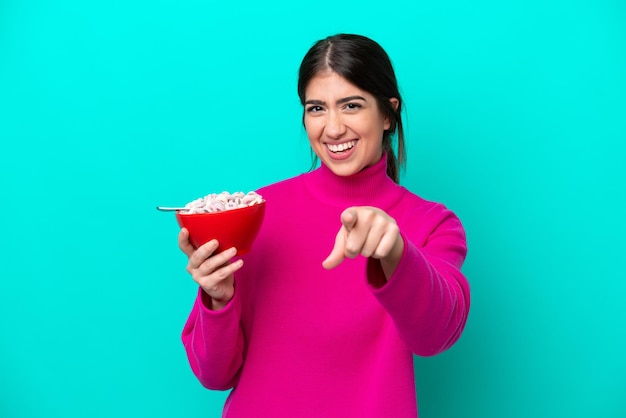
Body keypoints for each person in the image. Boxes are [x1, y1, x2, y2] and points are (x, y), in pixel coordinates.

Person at [178, 33, 470, 417]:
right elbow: (214, 375)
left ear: (387, 114)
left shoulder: (433, 224)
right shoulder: (255, 212)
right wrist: (217, 297)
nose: (332, 129)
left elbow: (436, 335)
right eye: (317, 108)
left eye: (351, 105)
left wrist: (396, 252)